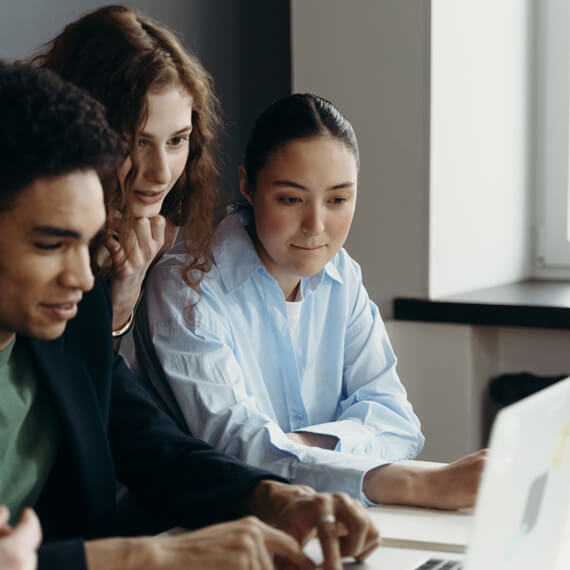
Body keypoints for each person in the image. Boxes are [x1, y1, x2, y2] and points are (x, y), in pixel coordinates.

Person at [0, 62, 379, 570]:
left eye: (87, 243)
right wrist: (152, 555)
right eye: (50, 244)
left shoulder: (71, 323)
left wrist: (276, 498)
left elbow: (157, 449)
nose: (84, 277)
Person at [134, 93, 487, 509]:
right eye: (291, 199)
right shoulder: (186, 286)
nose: (316, 227)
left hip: (332, 518)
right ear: (248, 186)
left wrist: (295, 444)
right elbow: (237, 451)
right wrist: (415, 483)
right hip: (216, 528)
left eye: (338, 200)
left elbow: (398, 423)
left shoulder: (343, 277)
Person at [32, 4, 222, 345]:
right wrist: (119, 304)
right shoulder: (30, 226)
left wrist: (124, 298)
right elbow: (69, 389)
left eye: (177, 140)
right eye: (138, 142)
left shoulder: (154, 223)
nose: (161, 173)